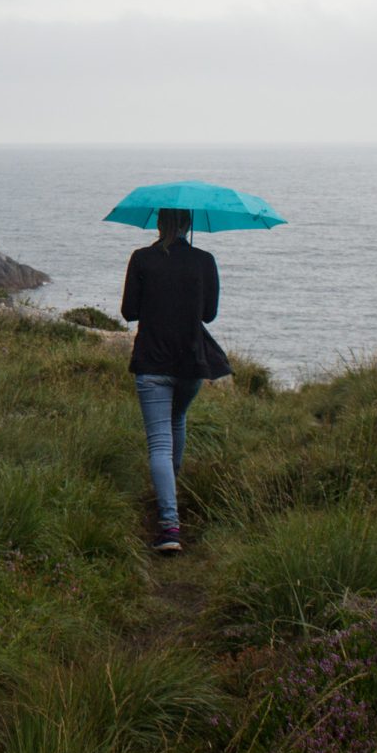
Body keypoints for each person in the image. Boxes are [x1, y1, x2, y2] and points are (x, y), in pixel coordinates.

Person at [120, 207, 220, 553]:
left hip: (152, 361)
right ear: (188, 225)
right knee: (178, 419)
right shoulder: (204, 261)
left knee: (159, 444)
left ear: (159, 223)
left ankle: (169, 526)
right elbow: (209, 313)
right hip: (192, 362)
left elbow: (129, 311)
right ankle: (169, 496)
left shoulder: (142, 259)